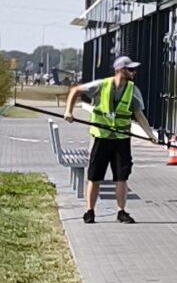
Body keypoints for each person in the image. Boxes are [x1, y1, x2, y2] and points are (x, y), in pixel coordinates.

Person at [60, 56, 141, 224]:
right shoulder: (101, 85)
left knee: (121, 177)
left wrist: (151, 136)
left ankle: (121, 212)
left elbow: (139, 115)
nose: (134, 72)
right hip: (101, 137)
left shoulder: (132, 89)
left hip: (121, 139)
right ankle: (89, 211)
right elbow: (75, 90)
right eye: (130, 69)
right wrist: (69, 111)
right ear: (120, 70)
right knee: (94, 177)